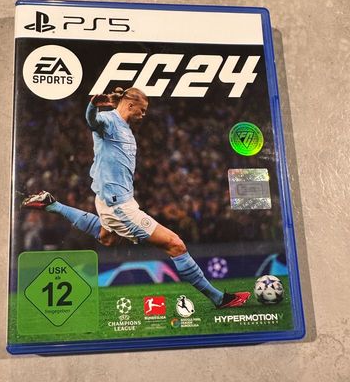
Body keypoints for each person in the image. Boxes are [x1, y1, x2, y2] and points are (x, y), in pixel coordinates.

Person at [22, 87, 250, 308]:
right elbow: (92, 122)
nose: (144, 114)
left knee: (107, 238)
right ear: (131, 105)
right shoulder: (109, 120)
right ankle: (219, 299)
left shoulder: (126, 129)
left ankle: (53, 205)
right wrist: (92, 106)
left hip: (116, 201)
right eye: (142, 109)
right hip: (119, 206)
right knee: (175, 244)